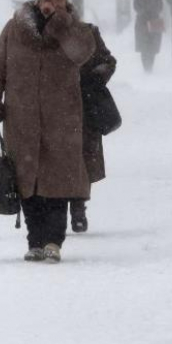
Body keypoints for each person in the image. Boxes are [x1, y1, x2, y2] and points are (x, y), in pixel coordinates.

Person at [0, 0, 95, 264]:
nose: (51, 4)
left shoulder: (76, 30)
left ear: (65, 2)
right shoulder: (15, 29)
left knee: (58, 184)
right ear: (37, 1)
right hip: (22, 119)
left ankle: (54, 241)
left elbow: (83, 54)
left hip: (62, 120)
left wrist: (62, 27)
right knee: (27, 184)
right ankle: (35, 242)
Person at [69, 25, 117, 233]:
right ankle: (56, 209)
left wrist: (92, 80)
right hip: (50, 107)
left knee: (83, 158)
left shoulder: (85, 32)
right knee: (54, 159)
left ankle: (78, 208)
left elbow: (108, 61)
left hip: (85, 106)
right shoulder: (40, 33)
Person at [133, 0, 164, 72]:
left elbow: (160, 4)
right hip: (141, 21)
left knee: (153, 45)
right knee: (143, 46)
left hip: (154, 20)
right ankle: (146, 67)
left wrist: (154, 11)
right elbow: (135, 6)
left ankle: (150, 64)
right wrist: (142, 12)